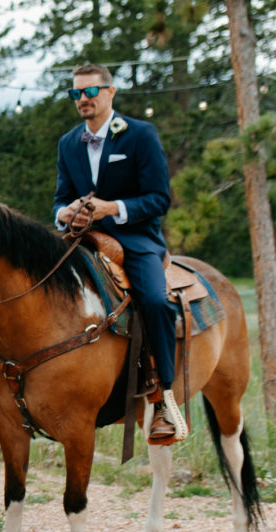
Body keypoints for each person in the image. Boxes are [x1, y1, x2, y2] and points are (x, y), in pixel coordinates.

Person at [53, 63, 186, 445]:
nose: (83, 100)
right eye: (76, 93)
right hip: (81, 239)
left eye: (90, 92)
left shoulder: (140, 134)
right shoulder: (67, 143)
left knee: (156, 302)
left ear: (111, 92)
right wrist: (65, 212)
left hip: (136, 240)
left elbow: (159, 199)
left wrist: (113, 208)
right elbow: (61, 197)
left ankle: (163, 399)